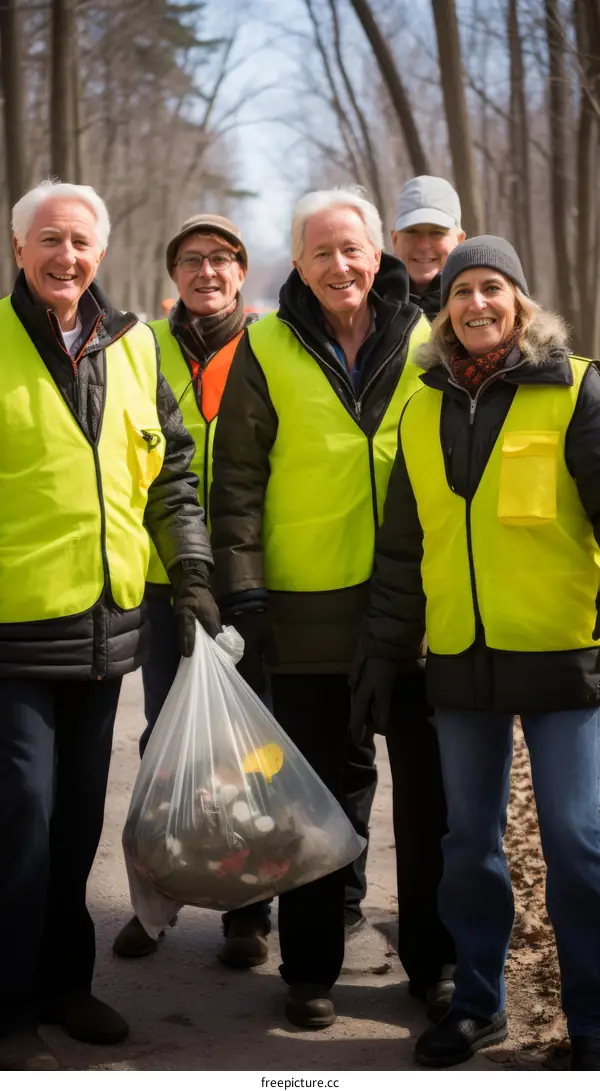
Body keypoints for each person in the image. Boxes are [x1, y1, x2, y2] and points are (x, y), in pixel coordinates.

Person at [351, 236, 600, 1071]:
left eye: (493, 288)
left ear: (520, 302)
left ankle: (592, 1021)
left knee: (577, 841)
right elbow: (401, 547)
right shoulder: (419, 406)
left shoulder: (578, 389)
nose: (477, 304)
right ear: (445, 308)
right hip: (459, 662)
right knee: (469, 847)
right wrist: (385, 656)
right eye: (463, 291)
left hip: (568, 660)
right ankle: (480, 1004)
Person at [210, 185, 455, 1030]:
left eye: (351, 248)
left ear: (377, 251)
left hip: (416, 607)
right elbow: (235, 477)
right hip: (305, 610)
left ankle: (435, 961)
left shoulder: (428, 336)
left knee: (430, 797)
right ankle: (309, 968)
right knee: (312, 797)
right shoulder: (266, 344)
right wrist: (244, 587)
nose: (340, 265)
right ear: (300, 265)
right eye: (321, 252)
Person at [0, 181, 220, 1071]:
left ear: (102, 250)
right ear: (19, 251)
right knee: (20, 813)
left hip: (104, 630)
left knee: (78, 818)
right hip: (12, 631)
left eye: (81, 241)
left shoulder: (132, 347)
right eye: (48, 239)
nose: (67, 256)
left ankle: (66, 985)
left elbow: (169, 475)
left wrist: (195, 568)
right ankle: (10, 1004)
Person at [112, 214, 272, 969]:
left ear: (241, 271)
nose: (207, 271)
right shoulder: (139, 345)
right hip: (160, 578)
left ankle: (247, 910)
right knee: (164, 749)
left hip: (246, 577)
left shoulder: (271, 345)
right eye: (191, 260)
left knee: (245, 752)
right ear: (172, 274)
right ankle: (156, 903)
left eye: (221, 258)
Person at [391, 176, 464, 320]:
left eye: (437, 232)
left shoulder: (478, 307)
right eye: (412, 231)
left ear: (460, 240)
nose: (423, 245)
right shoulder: (368, 309)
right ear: (395, 240)